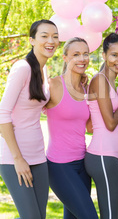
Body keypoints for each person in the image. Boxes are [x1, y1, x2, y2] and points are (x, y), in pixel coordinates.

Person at [0, 20, 59, 219]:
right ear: (32, 40)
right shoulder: (22, 68)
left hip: (38, 156)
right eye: (44, 36)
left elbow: (38, 108)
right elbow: (2, 113)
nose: (51, 41)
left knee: (39, 216)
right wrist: (18, 159)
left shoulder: (43, 71)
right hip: (15, 157)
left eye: (55, 36)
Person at [85, 33, 118, 219]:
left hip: (115, 156)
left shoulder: (111, 82)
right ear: (104, 55)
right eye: (114, 55)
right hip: (102, 156)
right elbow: (110, 123)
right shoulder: (99, 80)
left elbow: (91, 124)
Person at [45, 37, 98, 219]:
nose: (82, 58)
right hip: (60, 166)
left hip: (83, 165)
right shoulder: (53, 85)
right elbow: (26, 111)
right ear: (65, 57)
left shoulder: (86, 89)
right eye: (76, 54)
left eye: (85, 54)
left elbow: (90, 127)